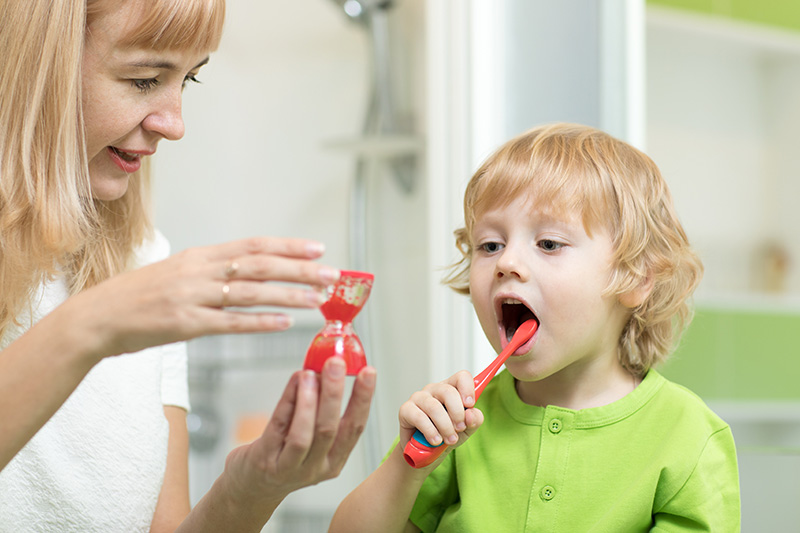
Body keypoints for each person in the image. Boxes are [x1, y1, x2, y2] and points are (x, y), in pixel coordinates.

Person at [0, 0, 376, 531]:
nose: (174, 125)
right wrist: (94, 322)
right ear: (39, 62)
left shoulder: (144, 261)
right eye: (144, 79)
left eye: (188, 80)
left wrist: (250, 489)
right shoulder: (131, 299)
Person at [331, 123, 740, 532]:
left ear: (634, 277)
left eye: (548, 244)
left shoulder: (687, 435)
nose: (507, 262)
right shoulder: (457, 427)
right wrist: (407, 467)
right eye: (490, 245)